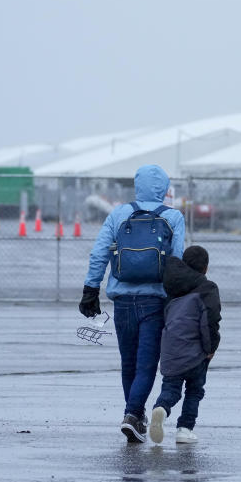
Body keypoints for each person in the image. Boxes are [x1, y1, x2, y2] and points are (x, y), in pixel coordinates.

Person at [80, 165, 185, 443]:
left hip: (123, 301)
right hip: (155, 300)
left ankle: (135, 417)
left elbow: (99, 252)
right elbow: (176, 261)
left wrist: (91, 288)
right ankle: (132, 414)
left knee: (128, 363)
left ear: (137, 187)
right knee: (147, 364)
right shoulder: (173, 217)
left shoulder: (119, 213)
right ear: (164, 188)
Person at [148, 246, 221, 445]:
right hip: (196, 353)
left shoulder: (171, 288)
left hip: (171, 351)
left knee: (171, 388)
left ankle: (161, 409)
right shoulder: (207, 288)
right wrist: (211, 348)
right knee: (194, 391)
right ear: (205, 268)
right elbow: (210, 321)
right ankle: (184, 429)